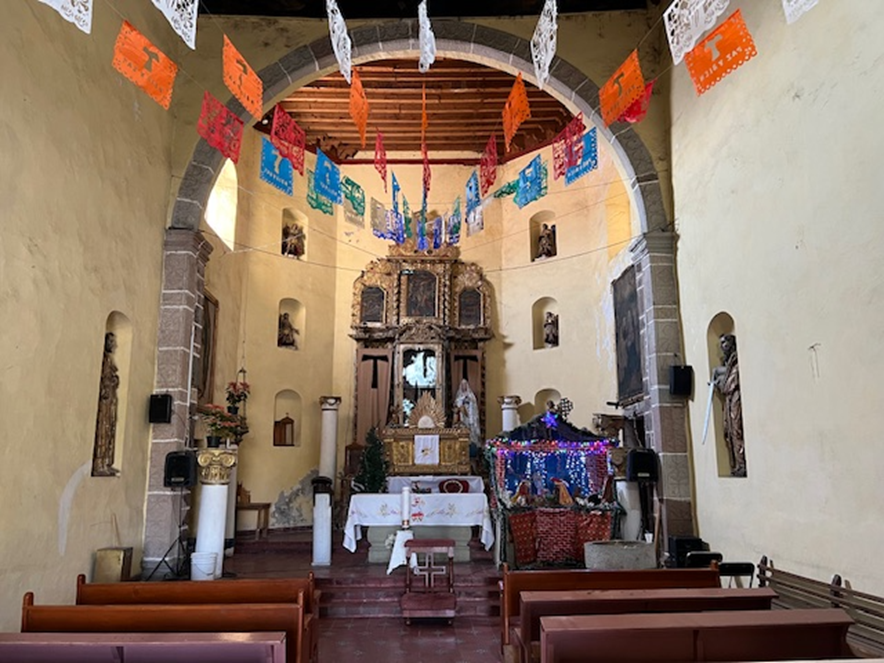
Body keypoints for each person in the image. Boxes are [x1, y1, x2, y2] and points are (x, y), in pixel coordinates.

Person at [712, 334, 747, 477]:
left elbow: (730, 382)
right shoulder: (728, 363)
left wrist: (721, 383)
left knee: (736, 428)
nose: (722, 346)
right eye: (721, 343)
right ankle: (737, 464)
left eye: (725, 342)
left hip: (735, 398)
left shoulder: (736, 361)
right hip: (729, 400)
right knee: (729, 430)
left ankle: (742, 463)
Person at [92, 332, 120, 476]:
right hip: (105, 402)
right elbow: (103, 381)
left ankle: (107, 461)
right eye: (112, 342)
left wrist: (114, 381)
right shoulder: (104, 360)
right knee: (104, 430)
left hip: (110, 400)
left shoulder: (108, 360)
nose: (115, 345)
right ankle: (100, 462)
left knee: (110, 429)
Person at [453, 378, 481, 451]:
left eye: (465, 384)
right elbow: (456, 406)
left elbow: (474, 406)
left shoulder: (471, 396)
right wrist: (461, 404)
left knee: (471, 432)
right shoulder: (458, 396)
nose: (463, 386)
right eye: (462, 385)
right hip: (461, 418)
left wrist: (469, 403)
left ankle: (473, 447)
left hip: (470, 417)